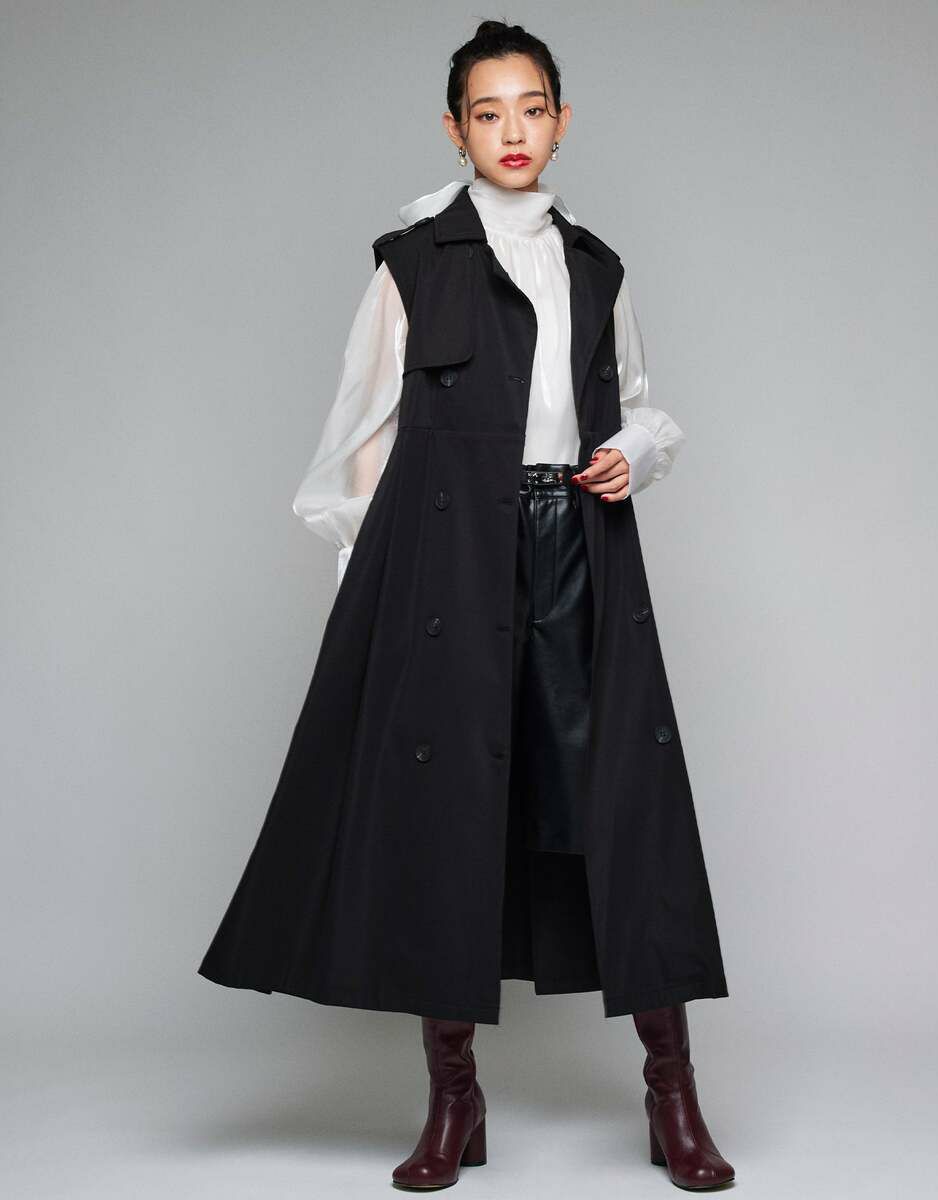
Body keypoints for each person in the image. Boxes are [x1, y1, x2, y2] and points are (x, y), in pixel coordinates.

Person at [199, 19, 735, 1192]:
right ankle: (454, 1101)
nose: (511, 131)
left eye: (530, 108)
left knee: (624, 811)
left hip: (577, 546)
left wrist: (634, 453)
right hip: (442, 569)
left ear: (561, 120)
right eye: (487, 113)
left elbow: (640, 402)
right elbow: (359, 439)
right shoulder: (410, 262)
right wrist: (371, 600)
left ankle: (671, 1095)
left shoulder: (595, 265)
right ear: (456, 129)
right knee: (448, 816)